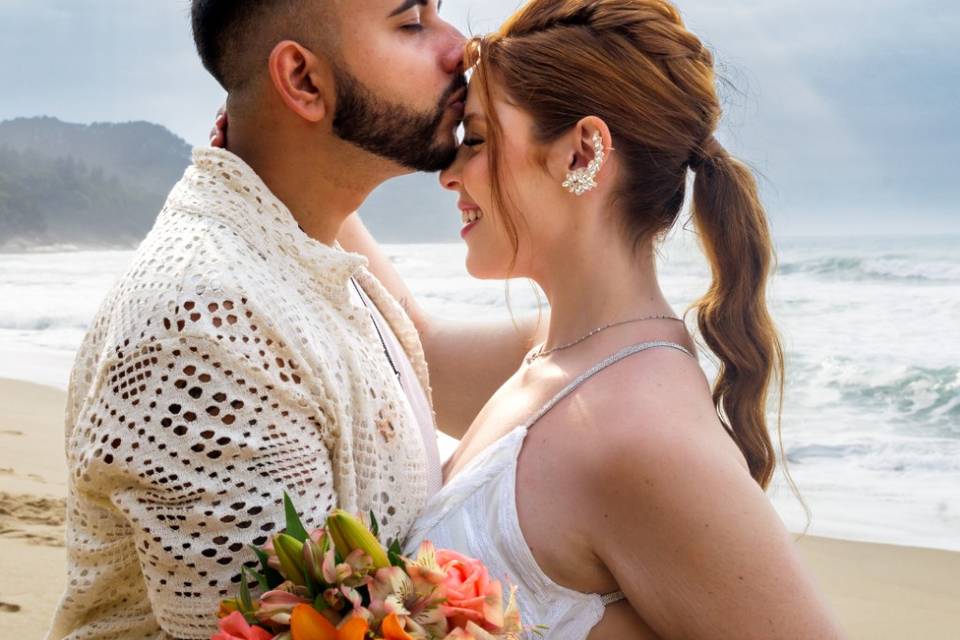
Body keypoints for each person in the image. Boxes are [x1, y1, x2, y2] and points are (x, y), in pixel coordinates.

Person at [47, 1, 542, 638]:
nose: (463, 47)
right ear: (305, 82)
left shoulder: (298, 238)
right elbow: (280, 624)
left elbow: (431, 358)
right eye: (411, 22)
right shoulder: (205, 329)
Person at [355, 0, 845, 637]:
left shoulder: (642, 434)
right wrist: (301, 177)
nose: (448, 173)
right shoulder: (559, 355)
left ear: (583, 153)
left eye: (475, 139)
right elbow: (417, 349)